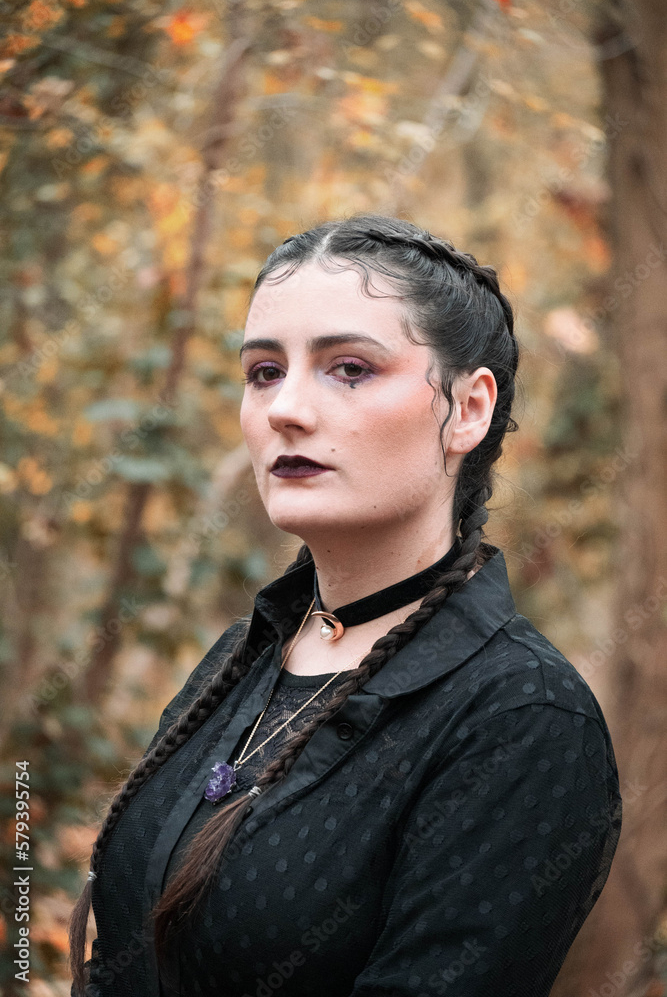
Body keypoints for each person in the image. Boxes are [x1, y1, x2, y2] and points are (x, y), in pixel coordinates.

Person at [69, 214, 622, 997]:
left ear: (466, 409)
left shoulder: (520, 718)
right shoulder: (242, 656)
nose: (285, 410)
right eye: (263, 372)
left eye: (350, 369)